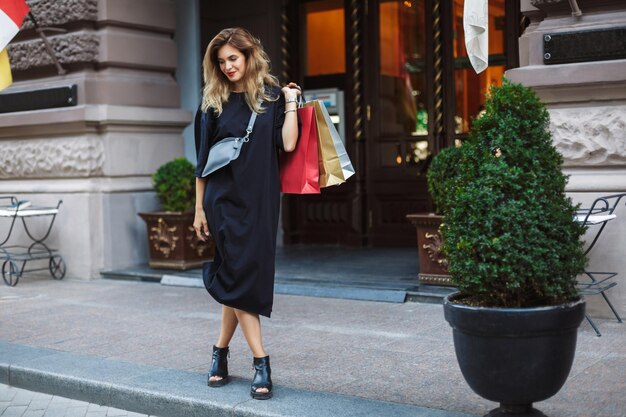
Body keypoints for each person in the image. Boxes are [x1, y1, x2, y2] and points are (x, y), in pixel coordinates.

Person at [193, 27, 300, 400]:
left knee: (239, 279)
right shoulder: (212, 103)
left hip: (260, 203)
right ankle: (261, 361)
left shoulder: (270, 98)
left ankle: (219, 353)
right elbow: (202, 163)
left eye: (233, 59)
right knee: (238, 275)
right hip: (222, 203)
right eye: (221, 62)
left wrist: (289, 102)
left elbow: (287, 143)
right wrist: (198, 211)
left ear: (249, 56)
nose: (227, 67)